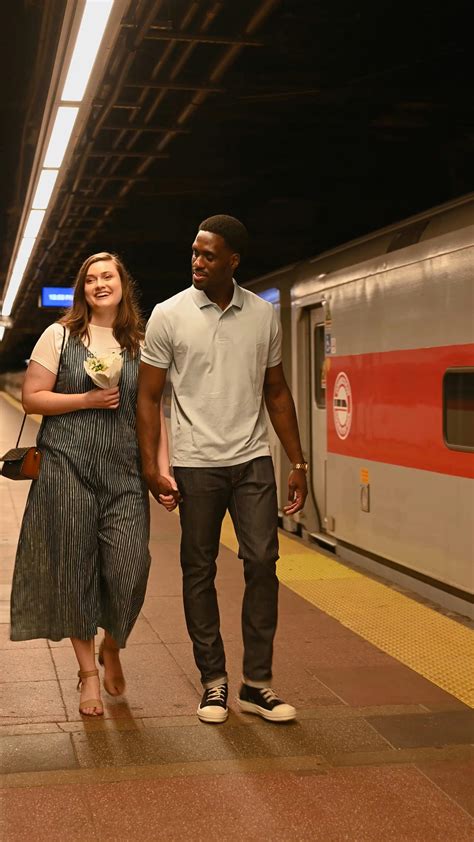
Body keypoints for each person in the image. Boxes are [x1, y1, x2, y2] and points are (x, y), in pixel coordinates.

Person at [137, 215, 307, 724]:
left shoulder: (262, 315)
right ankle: (213, 681)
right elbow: (148, 397)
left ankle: (257, 684)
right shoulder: (168, 315)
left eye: (208, 255)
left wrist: (297, 460)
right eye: (194, 252)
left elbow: (275, 391)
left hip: (253, 458)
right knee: (199, 569)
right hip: (195, 463)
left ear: (233, 261)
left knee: (262, 562)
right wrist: (151, 465)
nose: (197, 261)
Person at [10, 252, 176, 716]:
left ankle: (113, 645)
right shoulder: (59, 336)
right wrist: (85, 397)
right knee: (74, 570)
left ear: (124, 284)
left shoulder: (141, 344)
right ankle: (87, 675)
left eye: (109, 276)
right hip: (67, 468)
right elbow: (31, 398)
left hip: (124, 472)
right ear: (82, 289)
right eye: (91, 279)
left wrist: (163, 469)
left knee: (129, 568)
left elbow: (153, 414)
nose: (100, 284)